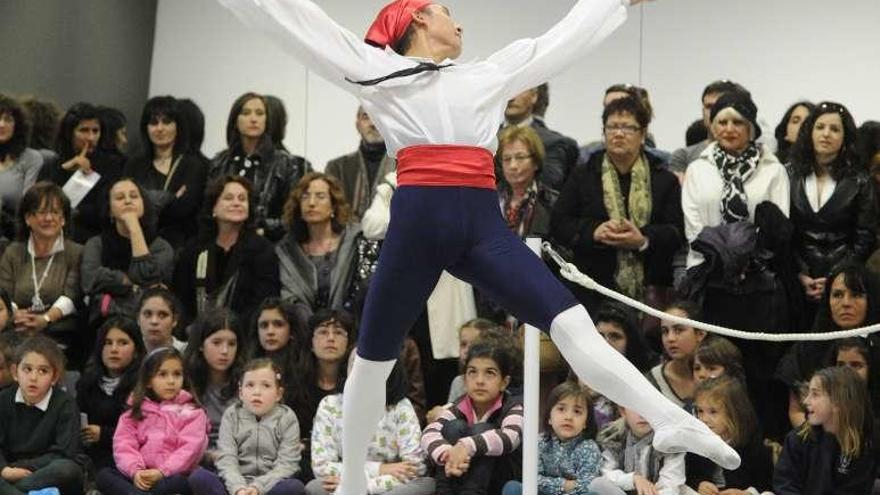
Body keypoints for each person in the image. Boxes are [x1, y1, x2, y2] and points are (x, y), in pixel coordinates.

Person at [217, 3, 741, 495]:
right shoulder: (375, 68)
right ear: (419, 18)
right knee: (371, 362)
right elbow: (301, 23)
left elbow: (558, 42)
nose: (461, 26)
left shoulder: (487, 73)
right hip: (418, 224)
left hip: (481, 224)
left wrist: (617, 5)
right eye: (449, 13)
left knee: (572, 322)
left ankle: (671, 420)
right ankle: (354, 483)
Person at [552, 96, 683, 313]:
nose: (618, 134)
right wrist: (594, 232)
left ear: (642, 134)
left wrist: (642, 239)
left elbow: (677, 232)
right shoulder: (583, 174)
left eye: (628, 128)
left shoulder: (663, 179)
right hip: (591, 286)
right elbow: (559, 222)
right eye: (612, 127)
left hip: (650, 288)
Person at [788, 102, 877, 328]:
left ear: (845, 137)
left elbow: (864, 237)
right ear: (810, 131)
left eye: (835, 129)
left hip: (842, 281)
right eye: (820, 127)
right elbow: (784, 230)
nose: (826, 134)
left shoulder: (860, 180)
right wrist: (799, 273)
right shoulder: (789, 174)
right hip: (797, 279)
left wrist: (835, 278)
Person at [307, 359, 433, 495]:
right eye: (355, 364)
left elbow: (414, 468)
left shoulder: (401, 406)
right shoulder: (330, 405)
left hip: (388, 486)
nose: (361, 372)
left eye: (369, 366)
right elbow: (322, 467)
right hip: (347, 481)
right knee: (316, 487)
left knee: (425, 485)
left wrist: (368, 487)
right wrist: (379, 469)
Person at [96, 347, 209, 495]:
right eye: (162, 374)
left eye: (177, 374)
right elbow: (124, 445)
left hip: (171, 475)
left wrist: (162, 472)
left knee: (182, 482)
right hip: (140, 477)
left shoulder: (193, 413)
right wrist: (136, 472)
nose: (171, 381)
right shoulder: (133, 412)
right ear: (148, 381)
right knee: (104, 476)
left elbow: (190, 450)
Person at [188, 358, 306, 495]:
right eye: (250, 385)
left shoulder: (287, 417)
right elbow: (227, 458)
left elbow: (287, 464)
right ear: (241, 393)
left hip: (270, 486)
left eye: (266, 386)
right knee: (199, 477)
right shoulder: (232, 415)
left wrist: (258, 488)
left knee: (294, 487)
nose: (257, 392)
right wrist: (238, 488)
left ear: (278, 394)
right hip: (234, 485)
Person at [173, 175, 280, 325]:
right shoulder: (194, 249)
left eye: (242, 199)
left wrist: (229, 330)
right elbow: (180, 298)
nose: (236, 203)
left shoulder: (262, 250)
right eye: (228, 198)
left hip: (244, 335)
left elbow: (263, 302)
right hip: (196, 334)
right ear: (213, 208)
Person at [421, 342, 522, 495]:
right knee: (454, 427)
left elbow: (510, 437)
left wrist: (465, 446)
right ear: (464, 380)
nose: (479, 380)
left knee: (482, 429)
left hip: (497, 482)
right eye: (472, 372)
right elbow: (428, 433)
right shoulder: (458, 406)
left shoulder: (513, 407)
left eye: (490, 373)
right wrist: (449, 452)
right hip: (456, 476)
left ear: (504, 382)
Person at [209, 92, 311, 242]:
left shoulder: (287, 163)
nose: (253, 119)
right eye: (246, 113)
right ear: (235, 120)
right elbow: (207, 208)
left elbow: (295, 214)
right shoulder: (219, 162)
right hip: (224, 242)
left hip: (270, 245)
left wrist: (263, 229)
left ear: (267, 121)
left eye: (259, 113)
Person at [0, 183, 83, 355]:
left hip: (60, 334)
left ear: (64, 219)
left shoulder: (76, 252)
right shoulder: (13, 252)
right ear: (28, 218)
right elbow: (5, 294)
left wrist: (45, 319)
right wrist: (16, 315)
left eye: (55, 212)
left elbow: (71, 296)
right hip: (17, 331)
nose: (49, 218)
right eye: (42, 212)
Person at [0, 335, 85, 495]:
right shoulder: (3, 399)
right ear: (15, 372)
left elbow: (64, 452)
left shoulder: (65, 404)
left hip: (44, 471)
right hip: (7, 471)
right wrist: (5, 470)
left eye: (43, 371)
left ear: (54, 377)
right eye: (27, 369)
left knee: (67, 469)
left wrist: (21, 468)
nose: (33, 377)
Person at [80, 178, 175, 321]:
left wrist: (134, 227)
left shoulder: (161, 247)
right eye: (119, 198)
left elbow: (147, 281)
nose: (128, 201)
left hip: (148, 320)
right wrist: (127, 281)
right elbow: (90, 280)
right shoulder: (96, 244)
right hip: (104, 319)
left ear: (144, 204)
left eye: (134, 196)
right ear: (110, 210)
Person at [773, 366, 877, 495]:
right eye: (808, 393)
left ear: (838, 401)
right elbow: (784, 485)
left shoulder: (862, 446)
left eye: (815, 394)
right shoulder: (797, 439)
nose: (806, 401)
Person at [124, 96, 209, 249]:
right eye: (153, 122)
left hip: (180, 245)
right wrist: (170, 198)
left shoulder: (193, 165)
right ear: (146, 128)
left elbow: (183, 210)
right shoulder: (134, 164)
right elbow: (124, 205)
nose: (160, 128)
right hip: (136, 242)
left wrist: (145, 200)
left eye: (167, 121)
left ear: (178, 126)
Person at [276, 173, 362, 320]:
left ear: (334, 206)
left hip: (351, 327)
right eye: (305, 197)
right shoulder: (287, 251)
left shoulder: (355, 241)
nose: (311, 203)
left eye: (320, 196)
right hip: (303, 331)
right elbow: (290, 299)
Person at [38, 103, 124, 243]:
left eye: (95, 131)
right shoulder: (53, 165)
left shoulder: (113, 165)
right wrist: (66, 171)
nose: (91, 138)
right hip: (51, 237)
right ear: (69, 133)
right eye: (84, 130)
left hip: (93, 239)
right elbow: (38, 204)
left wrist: (86, 175)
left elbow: (104, 211)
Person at [502, 381, 603, 495]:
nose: (569, 417)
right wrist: (564, 484)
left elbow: (587, 485)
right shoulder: (540, 442)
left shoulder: (589, 448)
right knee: (513, 487)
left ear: (586, 422)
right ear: (549, 417)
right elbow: (532, 480)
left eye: (577, 411)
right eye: (561, 409)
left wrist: (551, 484)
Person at [76, 317, 146, 471]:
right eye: (108, 343)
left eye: (123, 343)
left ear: (136, 351)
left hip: (133, 457)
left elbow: (145, 432)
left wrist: (104, 435)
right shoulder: (87, 383)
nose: (114, 349)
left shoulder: (144, 385)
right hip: (91, 455)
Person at [689, 377, 774, 495]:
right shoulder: (694, 442)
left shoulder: (752, 445)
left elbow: (766, 485)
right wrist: (698, 484)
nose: (704, 419)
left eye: (713, 412)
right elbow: (688, 474)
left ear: (734, 412)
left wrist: (747, 493)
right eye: (700, 411)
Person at [183, 309, 245, 458]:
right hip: (194, 460)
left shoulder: (247, 383)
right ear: (200, 345)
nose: (225, 351)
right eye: (216, 343)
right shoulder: (184, 383)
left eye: (231, 344)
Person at [592, 406, 686, 495]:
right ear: (623, 411)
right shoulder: (611, 435)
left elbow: (671, 484)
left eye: (649, 407)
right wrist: (633, 479)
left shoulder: (671, 439)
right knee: (598, 484)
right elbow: (605, 472)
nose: (642, 415)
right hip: (621, 491)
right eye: (635, 407)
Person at [501, 86, 579, 191]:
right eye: (506, 91)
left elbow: (548, 184)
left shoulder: (554, 143)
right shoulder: (482, 141)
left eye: (519, 90)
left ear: (534, 96)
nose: (511, 98)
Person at [326, 107, 396, 221]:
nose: (373, 124)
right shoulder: (337, 168)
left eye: (379, 118)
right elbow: (332, 210)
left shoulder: (403, 166)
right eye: (366, 117)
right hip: (346, 237)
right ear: (358, 125)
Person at [668, 80, 748, 174]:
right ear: (703, 111)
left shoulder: (752, 154)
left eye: (720, 106)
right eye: (709, 107)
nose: (713, 112)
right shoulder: (684, 157)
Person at [496, 126, 556, 239]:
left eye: (520, 157)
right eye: (507, 159)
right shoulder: (489, 200)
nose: (513, 166)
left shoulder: (552, 203)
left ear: (536, 162)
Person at [646, 301, 706, 409]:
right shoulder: (653, 381)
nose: (670, 338)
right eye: (665, 331)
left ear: (700, 334)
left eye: (679, 330)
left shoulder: (719, 372)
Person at [0, 94, 43, 240]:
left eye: (8, 119)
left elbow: (29, 206)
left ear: (17, 125)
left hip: (14, 233)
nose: (1, 124)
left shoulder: (31, 158)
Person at [137, 287, 187, 354]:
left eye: (162, 315)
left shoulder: (187, 353)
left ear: (174, 320)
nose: (154, 321)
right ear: (138, 319)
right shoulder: (129, 352)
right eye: (148, 314)